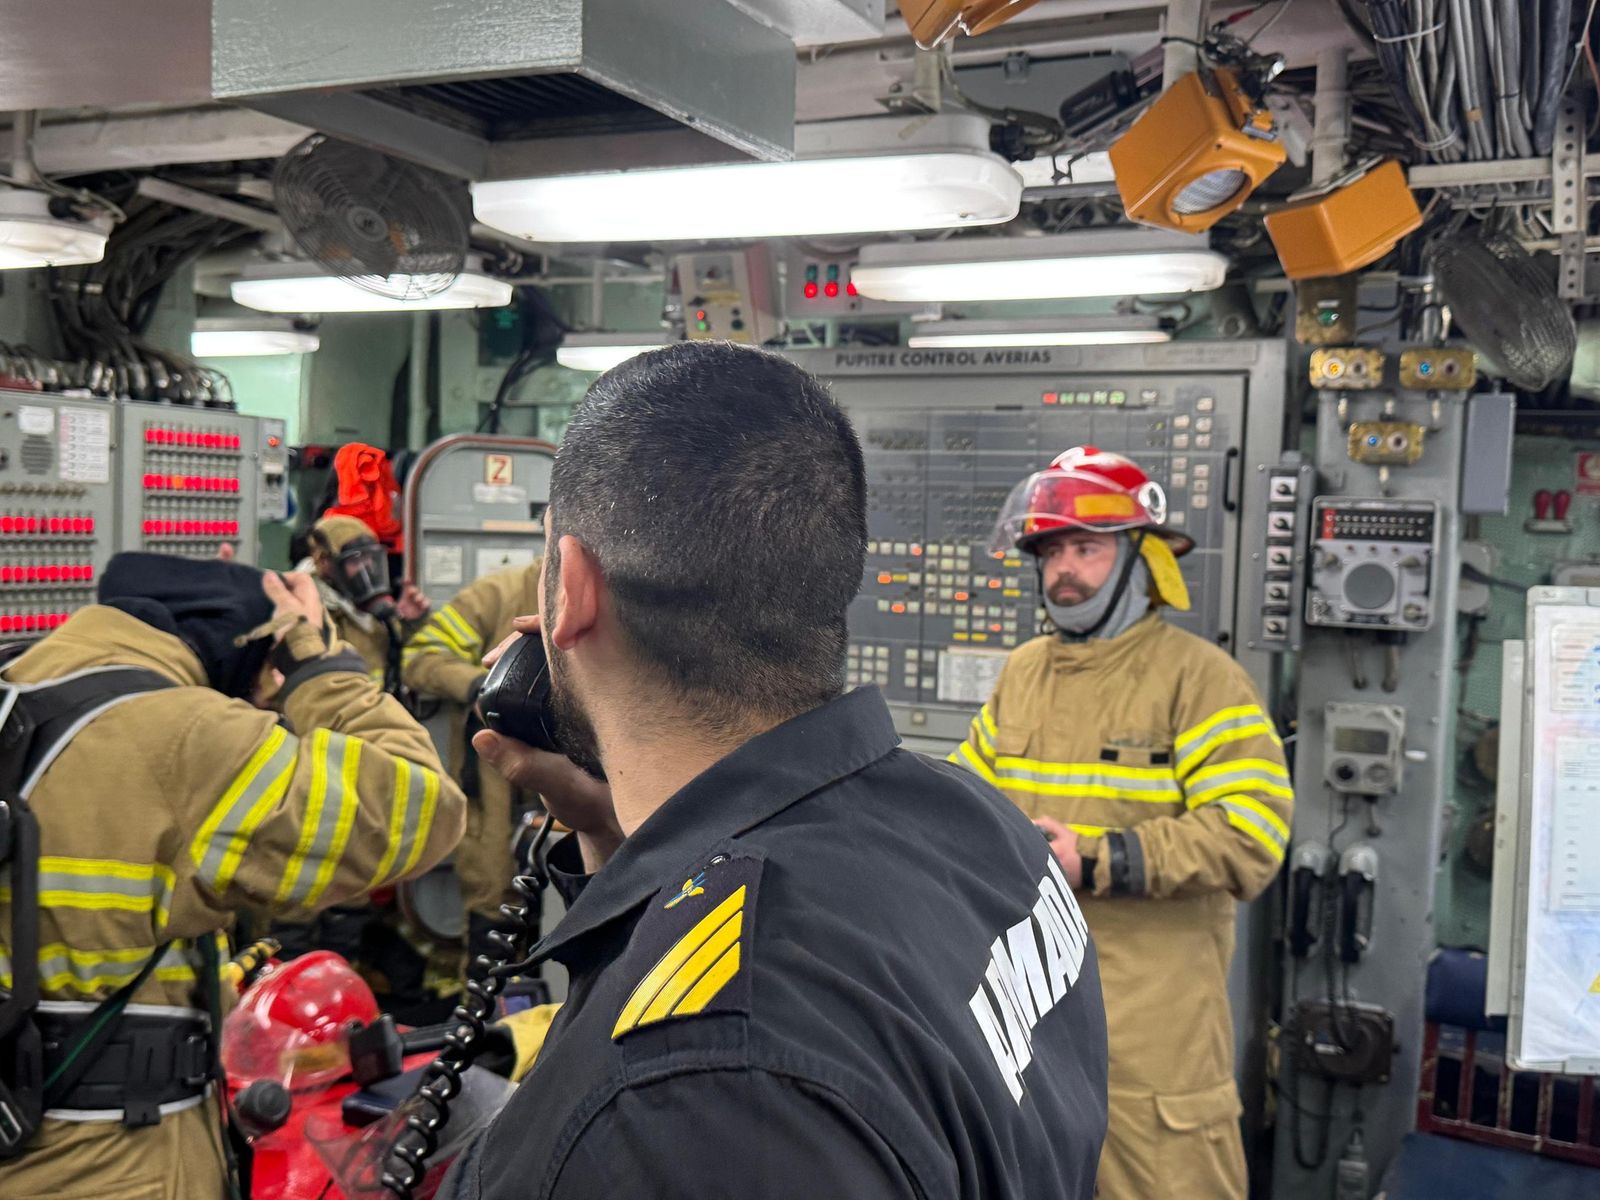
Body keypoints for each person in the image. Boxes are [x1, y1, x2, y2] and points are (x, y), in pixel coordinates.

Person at [440, 342, 1108, 1199]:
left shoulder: (683, 1095)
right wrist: (621, 846)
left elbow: (700, 1052)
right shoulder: (985, 828)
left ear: (570, 591)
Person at [0, 552, 466, 1200]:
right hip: (117, 1167)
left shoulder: (21, 700)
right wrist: (320, 665)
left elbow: (76, 937)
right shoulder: (186, 733)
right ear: (249, 652)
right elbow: (422, 809)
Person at [951, 446, 1295, 1200]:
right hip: (1029, 1030)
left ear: (1143, 561)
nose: (1062, 570)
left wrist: (1098, 860)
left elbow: (1252, 834)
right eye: (1050, 552)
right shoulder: (1025, 671)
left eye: (1087, 548)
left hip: (1152, 1054)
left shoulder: (1201, 679)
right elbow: (964, 802)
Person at [400, 559, 543, 961]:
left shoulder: (609, 595)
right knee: (491, 897)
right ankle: (490, 1014)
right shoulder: (499, 595)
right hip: (497, 787)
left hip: (573, 783)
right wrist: (482, 687)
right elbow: (420, 657)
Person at [302, 514, 430, 683]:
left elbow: (399, 660)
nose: (367, 567)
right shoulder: (311, 613)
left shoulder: (362, 609)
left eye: (371, 558)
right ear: (324, 562)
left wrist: (409, 624)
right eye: (356, 560)